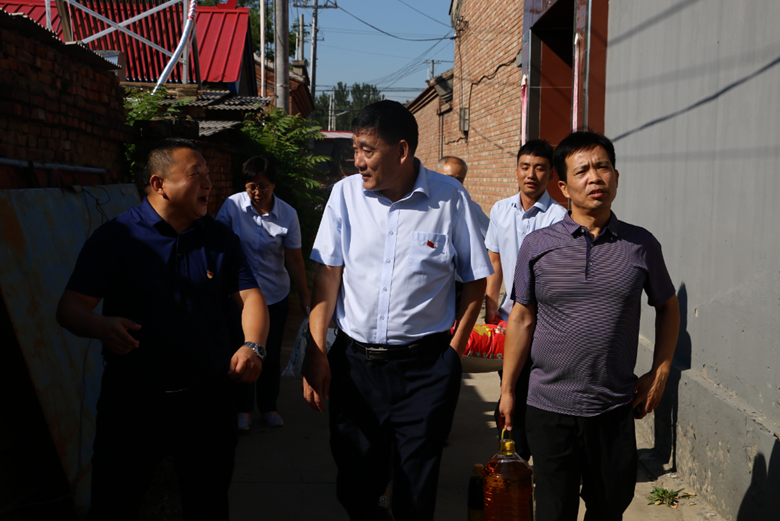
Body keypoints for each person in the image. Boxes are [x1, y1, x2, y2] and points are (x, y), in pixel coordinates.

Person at [56, 138, 270, 521]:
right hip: (134, 402)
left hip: (206, 400)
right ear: (159, 184)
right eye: (196, 175)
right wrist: (100, 325)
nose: (208, 183)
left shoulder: (220, 239)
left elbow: (251, 298)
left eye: (208, 174)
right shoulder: (117, 238)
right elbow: (70, 308)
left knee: (208, 506)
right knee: (113, 505)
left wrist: (253, 345)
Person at [302, 100, 492, 521]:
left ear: (402, 150)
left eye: (367, 150)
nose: (357, 161)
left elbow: (476, 279)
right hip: (355, 369)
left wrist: (453, 353)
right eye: (355, 149)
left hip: (425, 372)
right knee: (356, 486)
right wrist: (316, 351)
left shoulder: (449, 198)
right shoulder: (345, 196)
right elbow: (328, 276)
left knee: (415, 493)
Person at [499, 131, 680, 521]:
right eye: (582, 171)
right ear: (564, 187)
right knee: (553, 510)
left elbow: (667, 305)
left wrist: (661, 369)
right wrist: (508, 390)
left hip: (612, 406)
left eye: (603, 167)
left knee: (608, 509)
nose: (595, 177)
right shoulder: (537, 245)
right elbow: (522, 318)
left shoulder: (641, 245)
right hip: (548, 406)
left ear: (617, 177)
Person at [484, 139, 567, 459]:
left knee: (535, 391)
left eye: (540, 168)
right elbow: (494, 260)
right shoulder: (500, 210)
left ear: (551, 175)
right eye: (525, 167)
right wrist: (491, 305)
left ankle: (529, 456)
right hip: (509, 318)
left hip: (545, 323)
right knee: (511, 388)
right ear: (516, 170)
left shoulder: (560, 217)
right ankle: (513, 457)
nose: (531, 174)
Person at [217, 156, 310, 430]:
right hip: (240, 298)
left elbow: (294, 260)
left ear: (273, 184)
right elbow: (217, 244)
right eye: (251, 186)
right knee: (241, 351)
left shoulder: (288, 215)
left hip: (274, 296)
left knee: (268, 353)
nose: (258, 192)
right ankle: (242, 409)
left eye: (263, 186)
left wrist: (304, 295)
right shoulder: (232, 206)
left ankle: (269, 406)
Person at [437, 155, 490, 239]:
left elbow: (491, 236)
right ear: (436, 174)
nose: (454, 183)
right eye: (449, 178)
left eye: (459, 180)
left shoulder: (471, 208)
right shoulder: (423, 204)